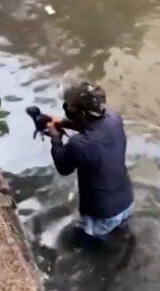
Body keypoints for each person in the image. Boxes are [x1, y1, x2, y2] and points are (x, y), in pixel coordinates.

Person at [45, 82, 134, 253]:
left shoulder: (79, 144)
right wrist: (63, 123)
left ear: (79, 113)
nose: (67, 110)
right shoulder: (114, 119)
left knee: (83, 250)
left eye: (70, 108)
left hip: (101, 213)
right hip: (126, 202)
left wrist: (55, 139)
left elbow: (63, 167)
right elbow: (93, 126)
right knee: (120, 237)